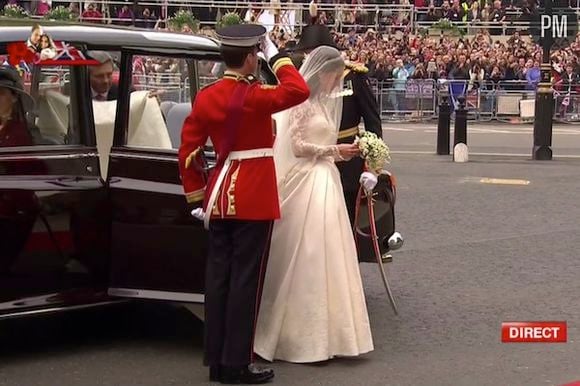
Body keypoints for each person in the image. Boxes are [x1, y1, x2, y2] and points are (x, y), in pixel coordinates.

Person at [178, 24, 309, 384]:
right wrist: (277, 54)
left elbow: (188, 149)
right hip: (253, 197)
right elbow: (299, 88)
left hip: (218, 196)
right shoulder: (256, 96)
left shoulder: (207, 96)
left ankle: (217, 361)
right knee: (245, 283)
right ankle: (237, 362)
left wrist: (195, 193)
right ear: (252, 57)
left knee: (218, 279)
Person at [253, 45, 373, 363]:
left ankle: (333, 332)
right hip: (309, 177)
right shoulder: (302, 102)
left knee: (331, 252)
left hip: (325, 177)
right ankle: (300, 333)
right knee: (309, 251)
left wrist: (338, 151)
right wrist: (334, 151)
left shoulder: (320, 102)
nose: (338, 84)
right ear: (323, 75)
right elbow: (297, 145)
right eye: (335, 77)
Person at [291, 5, 383, 264]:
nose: (308, 58)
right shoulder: (302, 81)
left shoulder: (353, 77)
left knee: (345, 225)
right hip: (312, 160)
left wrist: (373, 167)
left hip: (350, 158)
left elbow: (373, 123)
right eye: (307, 54)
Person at [0, 66, 41, 274]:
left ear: (13, 98)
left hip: (11, 212)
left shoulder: (21, 133)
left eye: (1, 93)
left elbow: (30, 171)